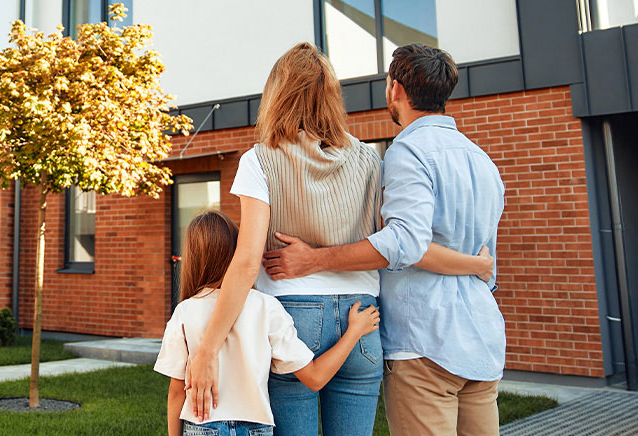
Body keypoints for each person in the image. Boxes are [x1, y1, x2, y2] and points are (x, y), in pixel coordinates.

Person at [183, 43, 492, 436]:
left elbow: (246, 262)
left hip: (291, 320)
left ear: (277, 94)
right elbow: (400, 242)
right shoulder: (371, 160)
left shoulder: (260, 159)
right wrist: (478, 264)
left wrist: (207, 348)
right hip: (362, 319)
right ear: (332, 95)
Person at [155, 210, 381, 436]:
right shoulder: (266, 307)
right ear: (238, 252)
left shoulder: (184, 312)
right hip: (256, 429)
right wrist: (354, 331)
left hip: (202, 427)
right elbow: (315, 378)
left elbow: (177, 392)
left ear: (193, 259)